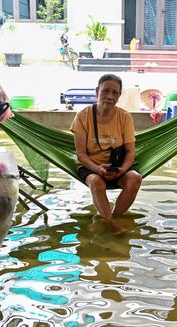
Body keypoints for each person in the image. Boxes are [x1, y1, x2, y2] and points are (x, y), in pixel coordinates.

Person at [70, 74, 142, 222]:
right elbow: (81, 155)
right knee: (96, 182)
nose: (109, 96)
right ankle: (111, 224)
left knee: (135, 178)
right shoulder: (83, 116)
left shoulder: (125, 117)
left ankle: (112, 218)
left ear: (119, 96)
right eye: (105, 91)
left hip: (118, 166)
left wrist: (122, 169)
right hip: (90, 166)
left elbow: (130, 152)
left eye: (115, 93)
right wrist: (97, 169)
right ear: (97, 92)